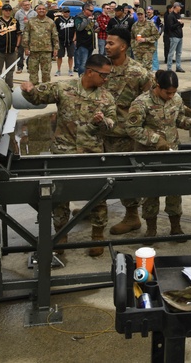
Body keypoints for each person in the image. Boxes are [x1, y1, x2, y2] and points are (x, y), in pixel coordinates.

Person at [20, 54, 115, 256]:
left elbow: (111, 125)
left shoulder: (106, 97)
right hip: (63, 153)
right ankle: (61, 236)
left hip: (92, 154)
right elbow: (39, 96)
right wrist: (29, 91)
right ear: (90, 71)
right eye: (104, 75)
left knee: (99, 196)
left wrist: (102, 122)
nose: (106, 80)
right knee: (59, 197)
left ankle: (98, 236)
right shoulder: (64, 88)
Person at [126, 70, 191, 237]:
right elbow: (132, 128)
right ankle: (151, 229)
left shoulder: (176, 99)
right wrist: (155, 140)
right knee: (150, 193)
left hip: (171, 153)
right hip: (149, 156)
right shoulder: (141, 103)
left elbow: (178, 120)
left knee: (174, 190)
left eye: (174, 92)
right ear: (158, 87)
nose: (171, 95)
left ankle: (175, 227)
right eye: (167, 92)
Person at [100, 28, 154, 236]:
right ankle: (97, 208)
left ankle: (132, 216)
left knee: (124, 177)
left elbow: (150, 103)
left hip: (123, 136)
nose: (107, 46)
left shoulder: (138, 72)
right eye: (106, 42)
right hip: (100, 132)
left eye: (111, 43)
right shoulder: (102, 67)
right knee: (96, 174)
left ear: (123, 46)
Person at [24, 3, 60, 86]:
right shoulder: (31, 21)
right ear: (36, 11)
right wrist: (26, 47)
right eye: (39, 9)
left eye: (43, 9)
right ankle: (34, 94)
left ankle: (45, 94)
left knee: (46, 75)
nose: (41, 10)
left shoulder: (50, 22)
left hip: (46, 51)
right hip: (33, 51)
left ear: (46, 11)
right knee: (33, 75)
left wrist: (56, 48)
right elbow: (26, 34)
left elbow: (55, 35)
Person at [0, 4, 21, 87]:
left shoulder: (15, 21)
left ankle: (9, 88)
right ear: (3, 11)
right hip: (0, 50)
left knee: (10, 72)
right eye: (6, 10)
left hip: (12, 51)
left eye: (9, 10)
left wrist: (17, 46)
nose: (7, 12)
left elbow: (19, 35)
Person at [73, 3, 97, 76]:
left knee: (88, 64)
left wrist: (96, 26)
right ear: (85, 10)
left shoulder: (91, 17)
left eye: (93, 10)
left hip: (90, 44)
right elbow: (79, 28)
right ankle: (81, 79)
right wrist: (87, 20)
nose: (92, 12)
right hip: (83, 44)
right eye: (90, 10)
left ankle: (87, 78)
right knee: (83, 63)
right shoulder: (79, 17)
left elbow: (93, 28)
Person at [53, 6, 77, 76]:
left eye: (68, 12)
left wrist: (74, 39)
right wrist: (56, 40)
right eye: (65, 12)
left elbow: (76, 30)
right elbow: (55, 31)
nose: (67, 13)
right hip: (61, 41)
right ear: (62, 12)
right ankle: (58, 70)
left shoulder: (73, 19)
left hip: (70, 41)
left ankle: (70, 70)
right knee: (59, 56)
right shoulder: (58, 20)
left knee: (70, 56)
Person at [164, 2, 185, 72]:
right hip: (174, 36)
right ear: (176, 7)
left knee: (179, 53)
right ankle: (169, 68)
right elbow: (171, 27)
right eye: (180, 7)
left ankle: (178, 66)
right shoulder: (171, 16)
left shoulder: (178, 15)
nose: (181, 8)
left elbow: (180, 26)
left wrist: (181, 23)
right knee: (171, 52)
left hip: (180, 36)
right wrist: (178, 23)